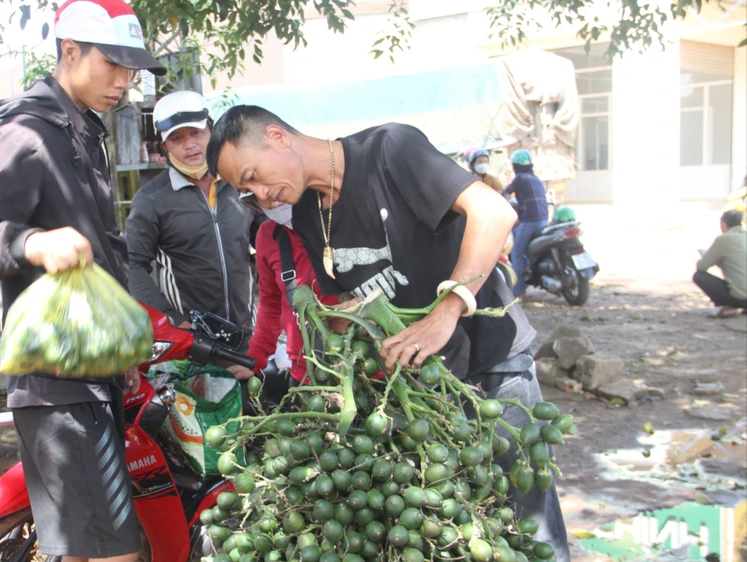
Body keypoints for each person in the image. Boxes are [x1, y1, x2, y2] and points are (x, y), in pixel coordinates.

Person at [206, 105, 570, 561]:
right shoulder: (306, 215)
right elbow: (350, 306)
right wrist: (336, 376)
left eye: (254, 175)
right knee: (469, 525)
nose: (261, 194)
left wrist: (447, 310)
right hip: (424, 387)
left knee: (530, 522)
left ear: (278, 136)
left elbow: (493, 212)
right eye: (247, 191)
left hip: (491, 364)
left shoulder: (388, 151)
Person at [0, 1, 165, 560]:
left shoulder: (83, 132)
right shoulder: (26, 133)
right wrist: (32, 243)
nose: (124, 81)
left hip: (92, 373)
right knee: (117, 550)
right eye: (113, 64)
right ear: (70, 51)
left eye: (131, 69)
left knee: (81, 548)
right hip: (60, 383)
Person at [125, 91, 256, 342]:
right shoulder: (151, 199)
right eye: (177, 138)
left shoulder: (238, 183)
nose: (190, 145)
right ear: (164, 147)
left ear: (212, 131)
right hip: (191, 339)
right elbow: (132, 265)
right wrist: (171, 318)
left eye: (196, 133)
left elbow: (268, 240)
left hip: (246, 332)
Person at [227, 199, 338, 385]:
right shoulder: (269, 236)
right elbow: (271, 303)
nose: (268, 196)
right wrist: (255, 357)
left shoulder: (344, 221)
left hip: (363, 364)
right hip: (305, 373)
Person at [503, 150, 548, 299]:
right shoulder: (535, 178)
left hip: (530, 220)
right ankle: (528, 264)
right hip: (543, 220)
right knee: (527, 248)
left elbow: (505, 194)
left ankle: (518, 292)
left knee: (516, 253)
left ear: (515, 166)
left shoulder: (520, 178)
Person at [694, 210, 747, 318]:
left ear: (724, 224)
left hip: (739, 297)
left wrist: (710, 258)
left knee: (699, 276)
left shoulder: (724, 239)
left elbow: (702, 266)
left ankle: (729, 307)